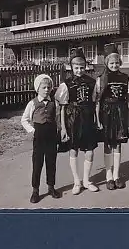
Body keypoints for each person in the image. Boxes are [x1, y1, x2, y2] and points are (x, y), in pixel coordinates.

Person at [55, 48, 99, 195]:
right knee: (73, 150)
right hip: (73, 119)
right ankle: (76, 182)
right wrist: (63, 128)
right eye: (76, 68)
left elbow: (95, 103)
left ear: (85, 67)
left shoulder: (92, 82)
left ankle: (86, 180)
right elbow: (62, 108)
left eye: (82, 67)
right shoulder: (65, 85)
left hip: (87, 119)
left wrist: (97, 121)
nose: (79, 70)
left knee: (90, 151)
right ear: (71, 68)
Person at [21, 74, 61, 204]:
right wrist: (32, 130)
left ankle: (51, 187)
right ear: (37, 89)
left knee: (51, 162)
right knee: (37, 163)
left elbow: (57, 118)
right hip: (39, 136)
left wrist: (60, 130)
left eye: (49, 87)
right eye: (43, 87)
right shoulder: (32, 103)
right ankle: (35, 190)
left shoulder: (54, 103)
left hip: (51, 135)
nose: (46, 89)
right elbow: (24, 119)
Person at [95, 44, 129, 190]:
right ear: (107, 63)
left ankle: (116, 175)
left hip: (120, 113)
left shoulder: (125, 77)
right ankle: (108, 176)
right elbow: (97, 101)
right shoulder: (102, 78)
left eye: (116, 62)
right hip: (107, 113)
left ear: (120, 63)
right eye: (111, 63)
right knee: (108, 144)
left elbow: (127, 99)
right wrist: (97, 119)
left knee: (118, 144)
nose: (114, 65)